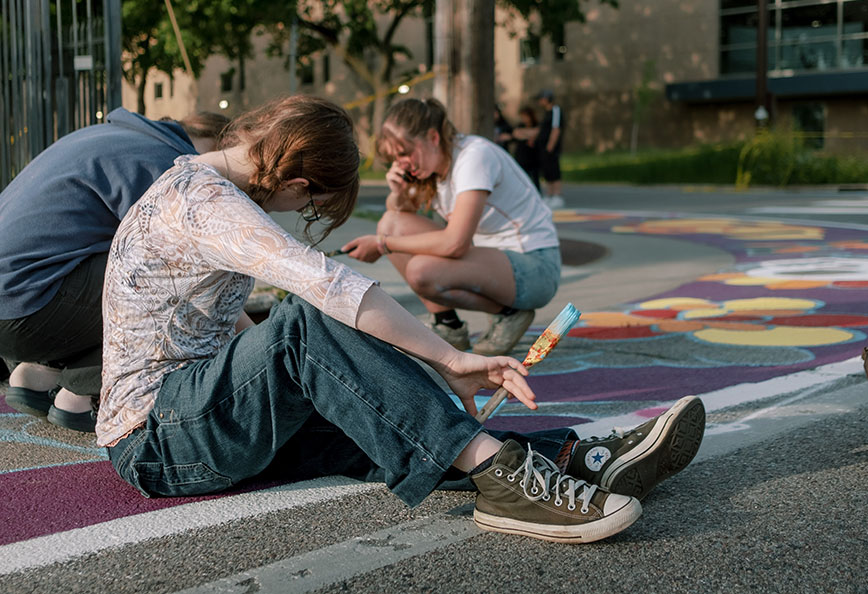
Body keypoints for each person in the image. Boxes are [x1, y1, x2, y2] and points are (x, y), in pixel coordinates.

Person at [97, 94, 706, 544]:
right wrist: (450, 358)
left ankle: (575, 459)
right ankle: (504, 479)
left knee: (381, 413)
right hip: (155, 439)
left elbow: (227, 333)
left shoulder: (198, 190)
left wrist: (323, 377)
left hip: (193, 418)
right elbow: (329, 286)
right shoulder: (204, 201)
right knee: (306, 322)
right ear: (299, 181)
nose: (299, 213)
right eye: (309, 205)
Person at [0, 108, 228, 432]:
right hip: (24, 304)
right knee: (174, 284)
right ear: (217, 147)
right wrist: (238, 332)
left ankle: (37, 372)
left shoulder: (107, 135)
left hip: (16, 302)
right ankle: (81, 392)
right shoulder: (170, 162)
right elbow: (193, 273)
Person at [344, 98, 559, 357]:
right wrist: (398, 193)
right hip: (495, 264)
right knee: (390, 223)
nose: (401, 163)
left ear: (433, 137)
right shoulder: (432, 166)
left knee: (421, 270)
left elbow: (455, 244)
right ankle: (449, 325)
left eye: (404, 153)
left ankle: (510, 314)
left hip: (535, 268)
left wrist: (382, 244)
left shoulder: (474, 157)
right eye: (394, 158)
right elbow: (397, 215)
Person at [536, 90, 565, 209]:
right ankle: (549, 194)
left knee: (554, 170)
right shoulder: (546, 113)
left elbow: (556, 129)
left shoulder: (555, 110)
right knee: (547, 170)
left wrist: (550, 146)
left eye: (541, 98)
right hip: (543, 147)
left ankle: (557, 195)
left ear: (547, 98)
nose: (540, 101)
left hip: (551, 148)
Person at [509, 105, 541, 191]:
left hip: (533, 155)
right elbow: (516, 133)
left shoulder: (536, 124)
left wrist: (524, 133)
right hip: (522, 155)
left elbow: (536, 132)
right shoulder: (520, 125)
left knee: (534, 176)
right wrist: (529, 136)